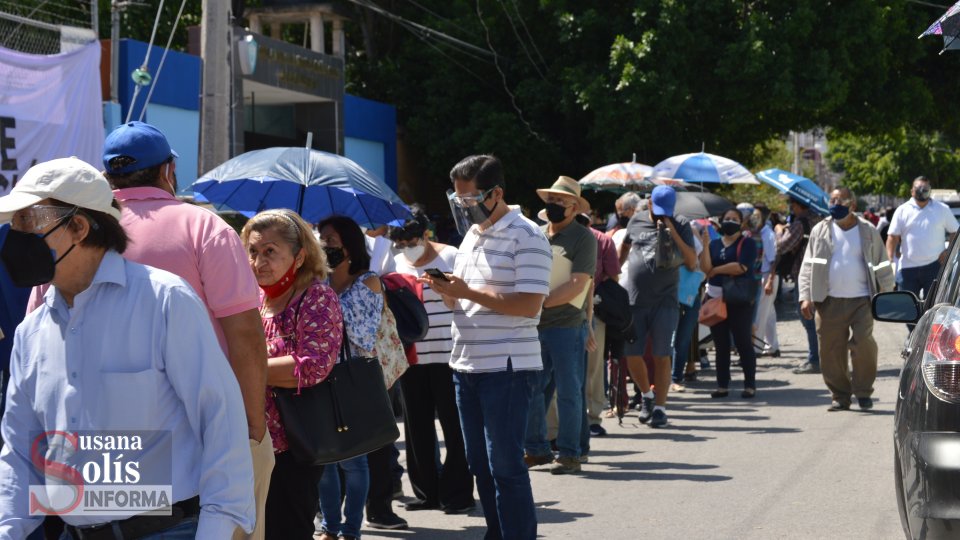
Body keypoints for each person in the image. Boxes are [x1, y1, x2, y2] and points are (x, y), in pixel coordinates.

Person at [0, 158, 255, 538]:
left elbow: (220, 421)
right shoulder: (32, 332)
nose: (13, 235)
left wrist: (217, 528)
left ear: (79, 226)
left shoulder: (164, 300)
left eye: (26, 221)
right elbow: (19, 448)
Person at [97, 121, 274, 540]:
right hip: (199, 432)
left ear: (107, 177)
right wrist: (252, 428)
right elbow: (245, 336)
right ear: (168, 172)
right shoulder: (205, 228)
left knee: (111, 528)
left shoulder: (78, 234)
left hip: (99, 435)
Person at [421, 154, 549, 540]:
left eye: (470, 199)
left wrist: (466, 291)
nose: (464, 207)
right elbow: (465, 300)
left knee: (506, 466)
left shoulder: (528, 235)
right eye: (458, 200)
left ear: (497, 194)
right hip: (466, 365)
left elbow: (529, 304)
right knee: (479, 464)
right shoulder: (473, 236)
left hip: (507, 368)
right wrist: (448, 293)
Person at [241, 209, 343, 540]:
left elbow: (313, 366)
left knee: (287, 528)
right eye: (253, 251)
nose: (259, 262)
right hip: (251, 440)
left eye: (270, 251)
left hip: (294, 444)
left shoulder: (316, 296)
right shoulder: (253, 299)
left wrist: (244, 371)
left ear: (299, 257)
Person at [318, 215, 408, 534]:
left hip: (354, 379)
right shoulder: (317, 282)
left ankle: (352, 528)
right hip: (320, 379)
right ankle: (330, 525)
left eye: (330, 240)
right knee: (325, 462)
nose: (323, 245)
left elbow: (361, 334)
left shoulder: (368, 280)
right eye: (320, 239)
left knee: (354, 462)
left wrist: (324, 305)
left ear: (349, 245)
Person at [388, 207, 475, 514]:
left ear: (425, 234)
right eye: (400, 241)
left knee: (455, 426)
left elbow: (463, 301)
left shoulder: (450, 256)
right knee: (417, 428)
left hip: (449, 354)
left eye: (411, 239)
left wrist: (443, 289)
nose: (406, 247)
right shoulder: (396, 262)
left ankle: (458, 493)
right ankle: (426, 493)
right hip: (412, 355)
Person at [524, 176, 596, 474]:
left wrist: (537, 304)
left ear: (574, 207)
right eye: (550, 201)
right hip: (535, 325)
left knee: (568, 391)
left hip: (567, 325)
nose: (553, 205)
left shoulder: (584, 238)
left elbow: (579, 284)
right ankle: (537, 449)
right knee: (532, 390)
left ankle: (570, 453)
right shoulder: (537, 234)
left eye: (560, 201)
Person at [798, 187, 894, 411]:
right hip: (828, 299)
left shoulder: (867, 230)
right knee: (831, 350)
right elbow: (808, 266)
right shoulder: (820, 230)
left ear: (852, 205)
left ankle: (863, 392)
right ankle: (840, 396)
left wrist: (887, 293)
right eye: (831, 200)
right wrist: (806, 297)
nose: (834, 204)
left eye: (839, 200)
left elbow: (882, 263)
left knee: (863, 344)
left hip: (862, 300)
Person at [619, 186, 697, 428]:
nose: (661, 214)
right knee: (632, 355)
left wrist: (671, 229)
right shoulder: (636, 220)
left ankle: (661, 409)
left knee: (662, 355)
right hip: (635, 300)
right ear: (649, 204)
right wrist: (611, 273)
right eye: (657, 209)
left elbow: (692, 262)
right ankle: (647, 395)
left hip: (665, 301)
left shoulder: (681, 223)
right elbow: (623, 248)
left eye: (667, 211)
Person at [699, 208, 759, 398]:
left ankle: (749, 384)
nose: (730, 222)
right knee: (720, 344)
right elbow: (705, 267)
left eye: (734, 219)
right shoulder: (714, 244)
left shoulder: (747, 243)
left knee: (743, 342)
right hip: (716, 298)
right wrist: (706, 245)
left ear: (741, 223)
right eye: (727, 218)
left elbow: (740, 267)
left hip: (739, 299)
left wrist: (716, 271)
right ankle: (722, 385)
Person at [887, 176, 959, 302]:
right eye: (918, 188)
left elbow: (955, 231)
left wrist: (948, 253)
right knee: (908, 308)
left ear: (930, 190)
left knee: (933, 307)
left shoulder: (942, 209)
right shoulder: (902, 210)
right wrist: (890, 259)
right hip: (907, 268)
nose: (922, 190)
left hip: (934, 266)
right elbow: (892, 237)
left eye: (925, 188)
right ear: (912, 191)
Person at [582, 214, 619, 435]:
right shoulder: (547, 236)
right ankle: (554, 427)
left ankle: (593, 417)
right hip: (556, 311)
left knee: (593, 367)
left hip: (594, 310)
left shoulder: (603, 241)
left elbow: (612, 277)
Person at [776, 198, 821, 374]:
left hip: (804, 276)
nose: (791, 209)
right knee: (817, 320)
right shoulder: (819, 220)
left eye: (792, 206)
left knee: (807, 318)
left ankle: (815, 359)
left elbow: (782, 246)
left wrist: (779, 231)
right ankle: (820, 357)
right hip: (820, 275)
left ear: (798, 206)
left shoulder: (800, 223)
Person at [753, 203, 780, 357]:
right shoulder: (758, 232)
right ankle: (773, 346)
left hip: (766, 275)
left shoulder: (767, 234)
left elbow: (773, 259)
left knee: (760, 314)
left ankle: (755, 348)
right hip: (766, 275)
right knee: (769, 313)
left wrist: (769, 280)